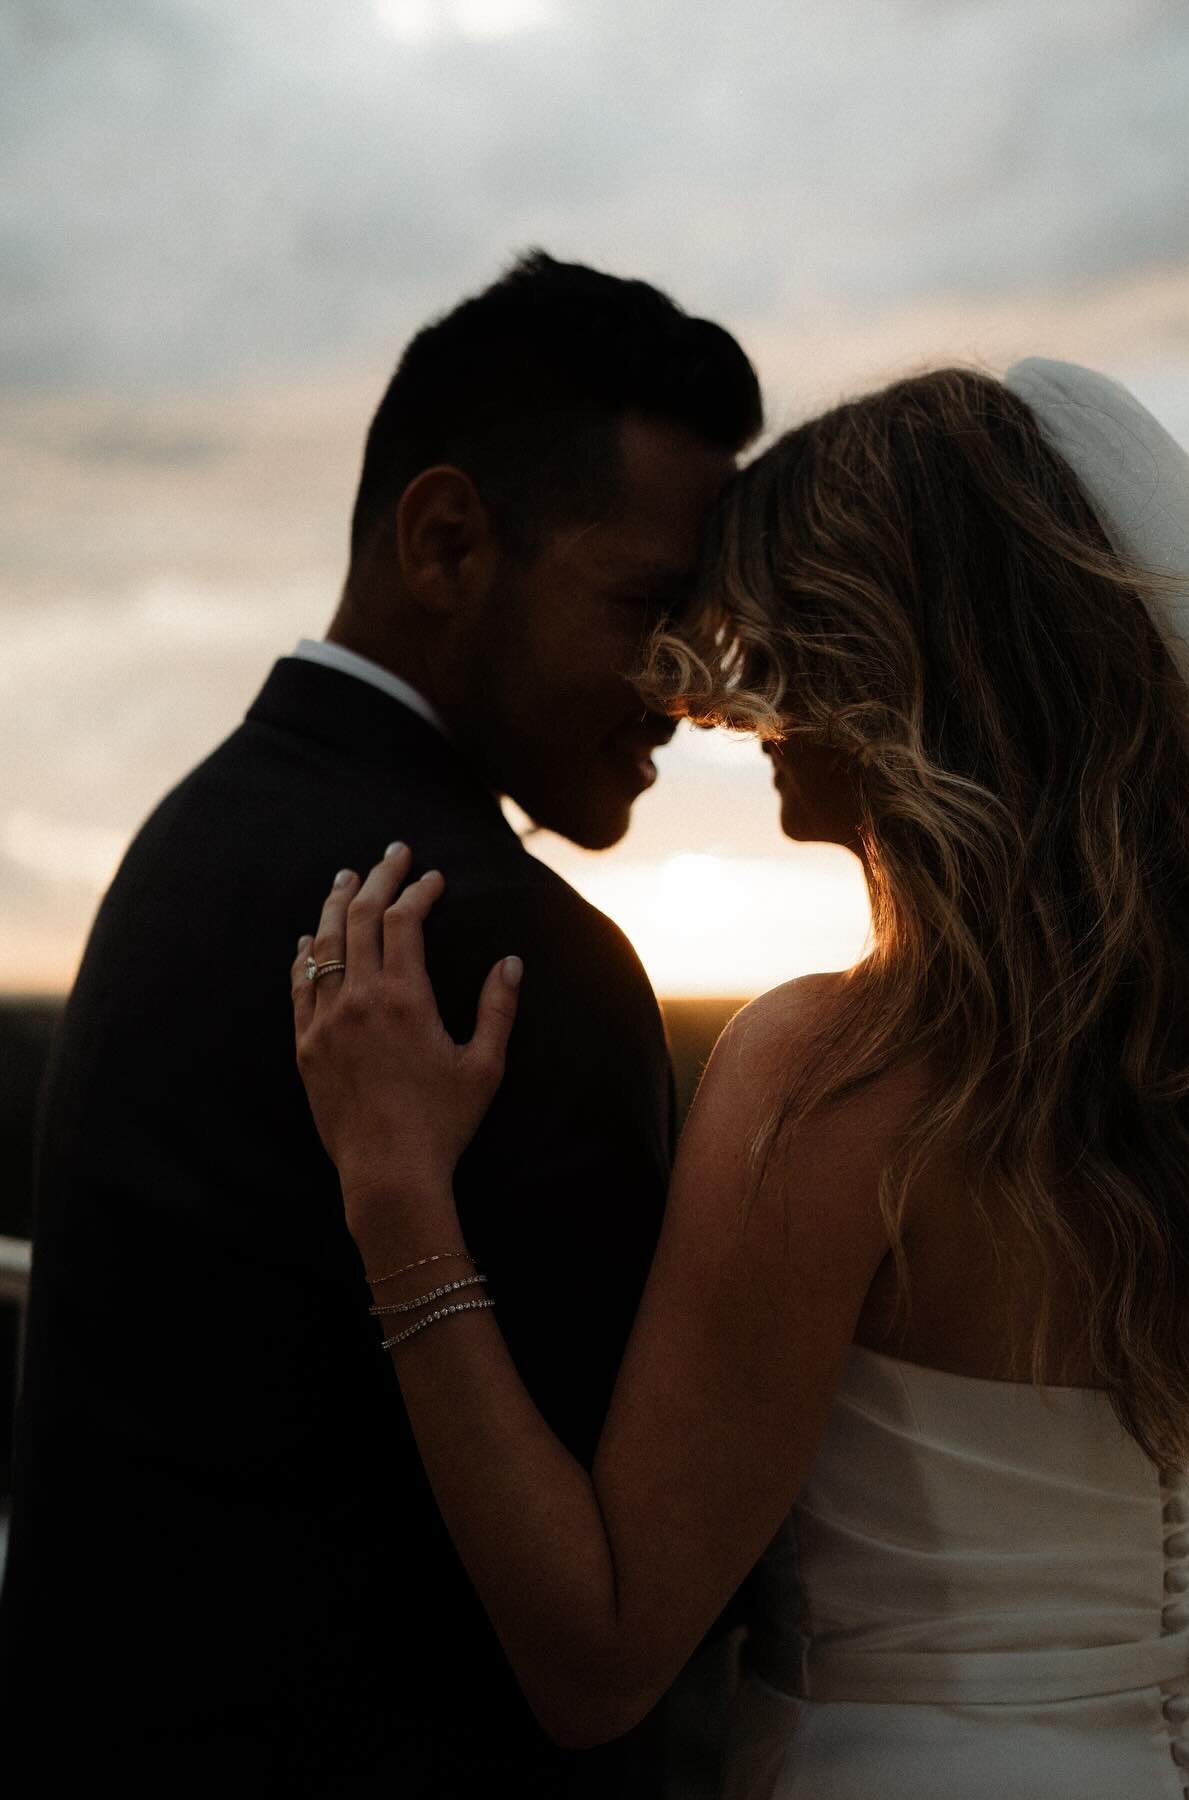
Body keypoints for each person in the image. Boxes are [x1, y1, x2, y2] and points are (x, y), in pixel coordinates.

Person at [288, 361, 1189, 1799]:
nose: (725, 697)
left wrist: (394, 1195)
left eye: (769, 646)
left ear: (887, 668)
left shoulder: (830, 1077)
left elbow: (601, 1657)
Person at [0, 253, 762, 1791]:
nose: (686, 694)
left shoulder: (188, 837)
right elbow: (640, 1590)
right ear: (448, 541)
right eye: (647, 608)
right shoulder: (508, 960)